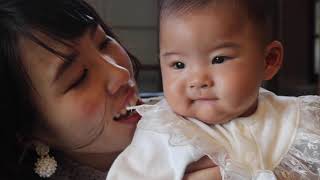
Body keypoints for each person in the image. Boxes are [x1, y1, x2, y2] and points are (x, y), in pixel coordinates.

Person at [0, 0, 218, 179]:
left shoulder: (199, 110)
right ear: (26, 132)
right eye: (79, 77)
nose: (120, 74)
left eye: (104, 43)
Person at [107, 0, 320, 179]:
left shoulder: (298, 118)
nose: (197, 80)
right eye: (178, 65)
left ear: (268, 61)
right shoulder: (165, 133)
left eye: (218, 59)